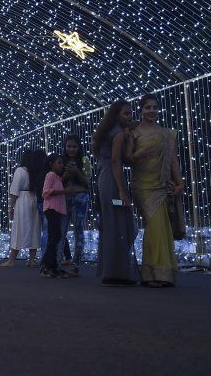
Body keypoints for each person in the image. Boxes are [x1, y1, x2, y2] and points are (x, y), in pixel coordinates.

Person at [125, 93, 183, 287]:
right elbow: (127, 158)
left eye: (154, 107)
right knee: (155, 225)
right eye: (147, 107)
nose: (151, 111)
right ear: (141, 110)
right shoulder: (134, 132)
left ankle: (162, 273)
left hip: (161, 184)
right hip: (142, 184)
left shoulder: (165, 133)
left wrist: (180, 182)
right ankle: (152, 274)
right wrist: (140, 152)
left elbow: (173, 159)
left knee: (160, 227)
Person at [94, 101, 139, 286]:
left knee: (111, 224)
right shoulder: (118, 133)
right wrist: (122, 191)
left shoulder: (107, 132)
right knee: (120, 223)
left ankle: (111, 270)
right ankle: (117, 272)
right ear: (117, 115)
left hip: (104, 179)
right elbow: (116, 162)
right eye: (126, 114)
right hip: (113, 181)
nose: (129, 117)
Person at [0, 150, 43, 268]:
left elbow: (14, 191)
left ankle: (12, 260)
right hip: (34, 198)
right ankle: (31, 259)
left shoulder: (20, 171)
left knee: (18, 229)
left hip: (22, 200)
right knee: (35, 228)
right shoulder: (35, 172)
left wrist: (11, 206)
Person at [58, 135, 91, 273]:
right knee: (61, 231)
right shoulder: (61, 161)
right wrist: (65, 174)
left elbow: (87, 182)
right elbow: (57, 181)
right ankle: (56, 263)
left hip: (80, 197)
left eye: (74, 146)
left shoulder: (84, 160)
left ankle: (76, 264)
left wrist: (77, 172)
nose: (71, 149)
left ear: (79, 148)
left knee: (79, 231)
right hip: (65, 198)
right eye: (69, 146)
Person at [40, 153, 70, 278]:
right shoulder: (51, 175)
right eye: (59, 163)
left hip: (56, 210)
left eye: (62, 163)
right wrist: (63, 191)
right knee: (54, 237)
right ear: (51, 164)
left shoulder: (58, 177)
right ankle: (46, 266)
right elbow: (45, 192)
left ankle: (51, 266)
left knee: (56, 237)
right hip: (51, 209)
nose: (61, 165)